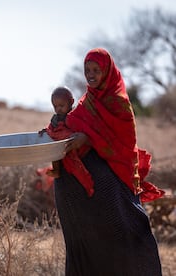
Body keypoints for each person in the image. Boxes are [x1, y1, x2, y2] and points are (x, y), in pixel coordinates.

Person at [55, 48, 165, 276]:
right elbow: (71, 126)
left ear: (107, 71)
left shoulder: (118, 102)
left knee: (126, 231)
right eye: (87, 70)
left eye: (96, 70)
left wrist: (87, 138)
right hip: (88, 192)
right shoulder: (87, 102)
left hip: (117, 178)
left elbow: (123, 143)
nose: (91, 75)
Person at [39, 86, 94, 196]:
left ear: (71, 102)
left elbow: (83, 130)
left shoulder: (75, 115)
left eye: (61, 105)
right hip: (60, 148)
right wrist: (46, 131)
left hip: (75, 147)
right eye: (55, 106)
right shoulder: (56, 118)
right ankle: (56, 170)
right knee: (53, 152)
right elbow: (51, 128)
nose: (58, 109)